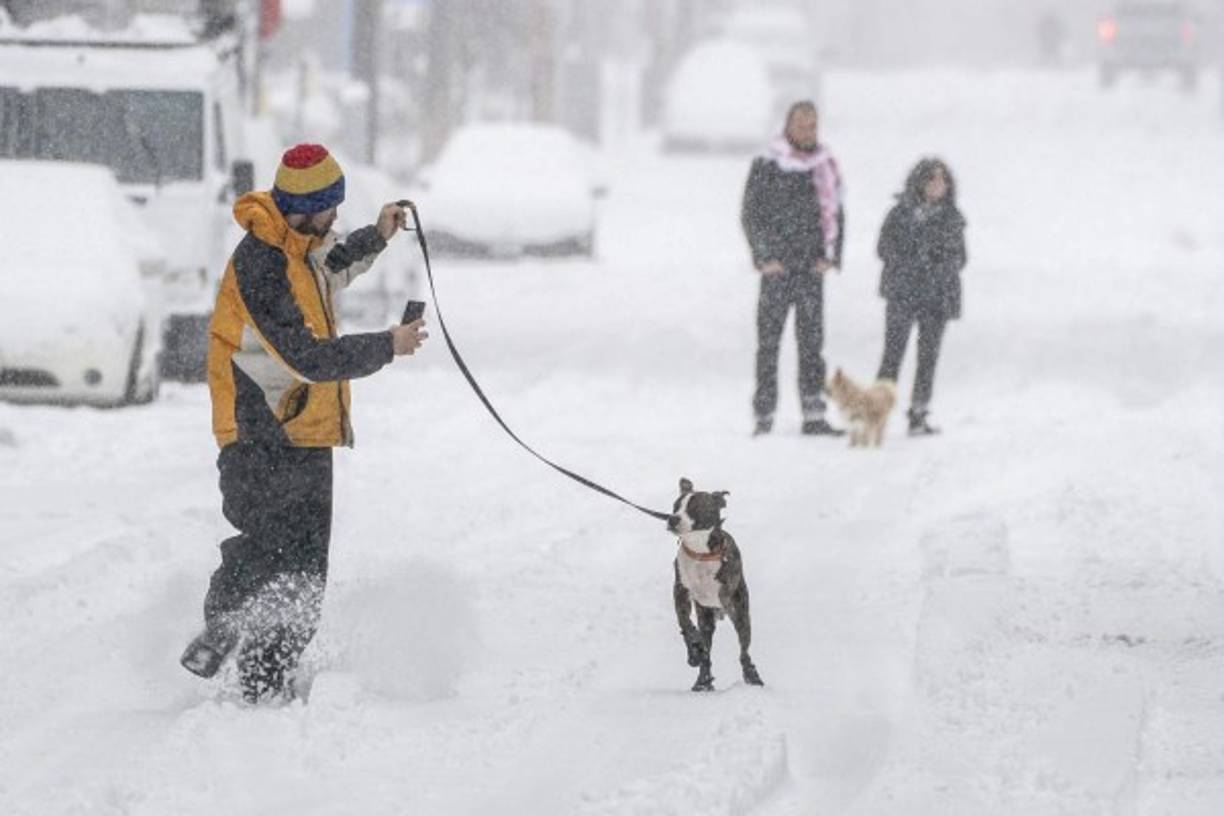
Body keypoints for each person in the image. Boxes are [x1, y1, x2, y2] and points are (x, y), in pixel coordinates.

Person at [180, 143, 428, 703]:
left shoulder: (301, 248)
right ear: (306, 207)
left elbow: (331, 267)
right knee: (263, 541)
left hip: (305, 429)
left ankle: (268, 671)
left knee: (305, 562)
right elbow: (305, 357)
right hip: (254, 426)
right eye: (331, 207)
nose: (336, 217)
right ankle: (222, 625)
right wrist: (387, 344)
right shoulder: (260, 263)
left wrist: (378, 235)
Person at [741, 100, 846, 437]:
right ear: (788, 126)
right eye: (801, 125)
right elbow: (751, 214)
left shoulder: (824, 165)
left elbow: (837, 211)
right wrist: (763, 256)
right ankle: (764, 414)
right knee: (769, 345)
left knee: (812, 344)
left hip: (811, 268)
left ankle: (814, 412)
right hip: (778, 270)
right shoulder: (767, 164)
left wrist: (832, 255)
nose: (807, 132)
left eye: (813, 125)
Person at [875, 157, 967, 436]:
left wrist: (934, 266)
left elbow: (958, 258)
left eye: (943, 179)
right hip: (903, 294)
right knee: (893, 355)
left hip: (936, 297)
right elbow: (884, 248)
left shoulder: (952, 218)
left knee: (928, 357)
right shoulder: (900, 214)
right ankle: (877, 412)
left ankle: (919, 411)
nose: (938, 184)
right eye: (932, 178)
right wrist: (911, 263)